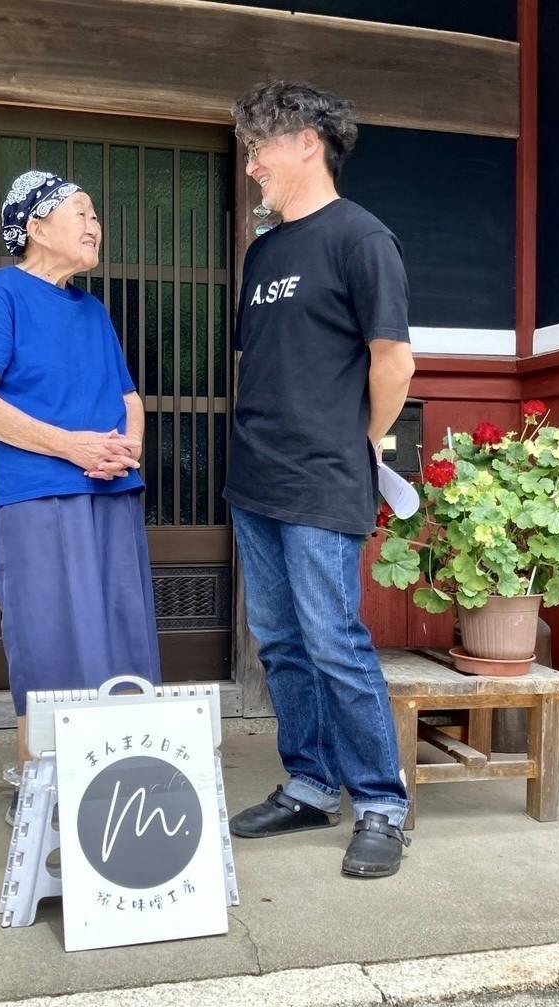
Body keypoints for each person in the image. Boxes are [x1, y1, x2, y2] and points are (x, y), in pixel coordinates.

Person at [225, 82, 416, 878]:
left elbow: (393, 362)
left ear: (307, 141)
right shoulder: (265, 252)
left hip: (323, 477)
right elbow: (261, 362)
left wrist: (361, 442)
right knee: (279, 643)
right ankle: (310, 783)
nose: (251, 166)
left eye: (259, 148)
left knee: (334, 641)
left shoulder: (361, 238)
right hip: (256, 478)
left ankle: (381, 804)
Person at [0, 170, 162, 823]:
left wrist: (127, 446)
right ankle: (40, 790)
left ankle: (126, 783)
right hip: (37, 496)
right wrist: (72, 447)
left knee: (123, 632)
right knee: (49, 637)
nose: (95, 225)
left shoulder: (92, 310)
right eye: (82, 212)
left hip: (112, 490)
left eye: (95, 215)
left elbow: (128, 398)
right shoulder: (2, 292)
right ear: (35, 227)